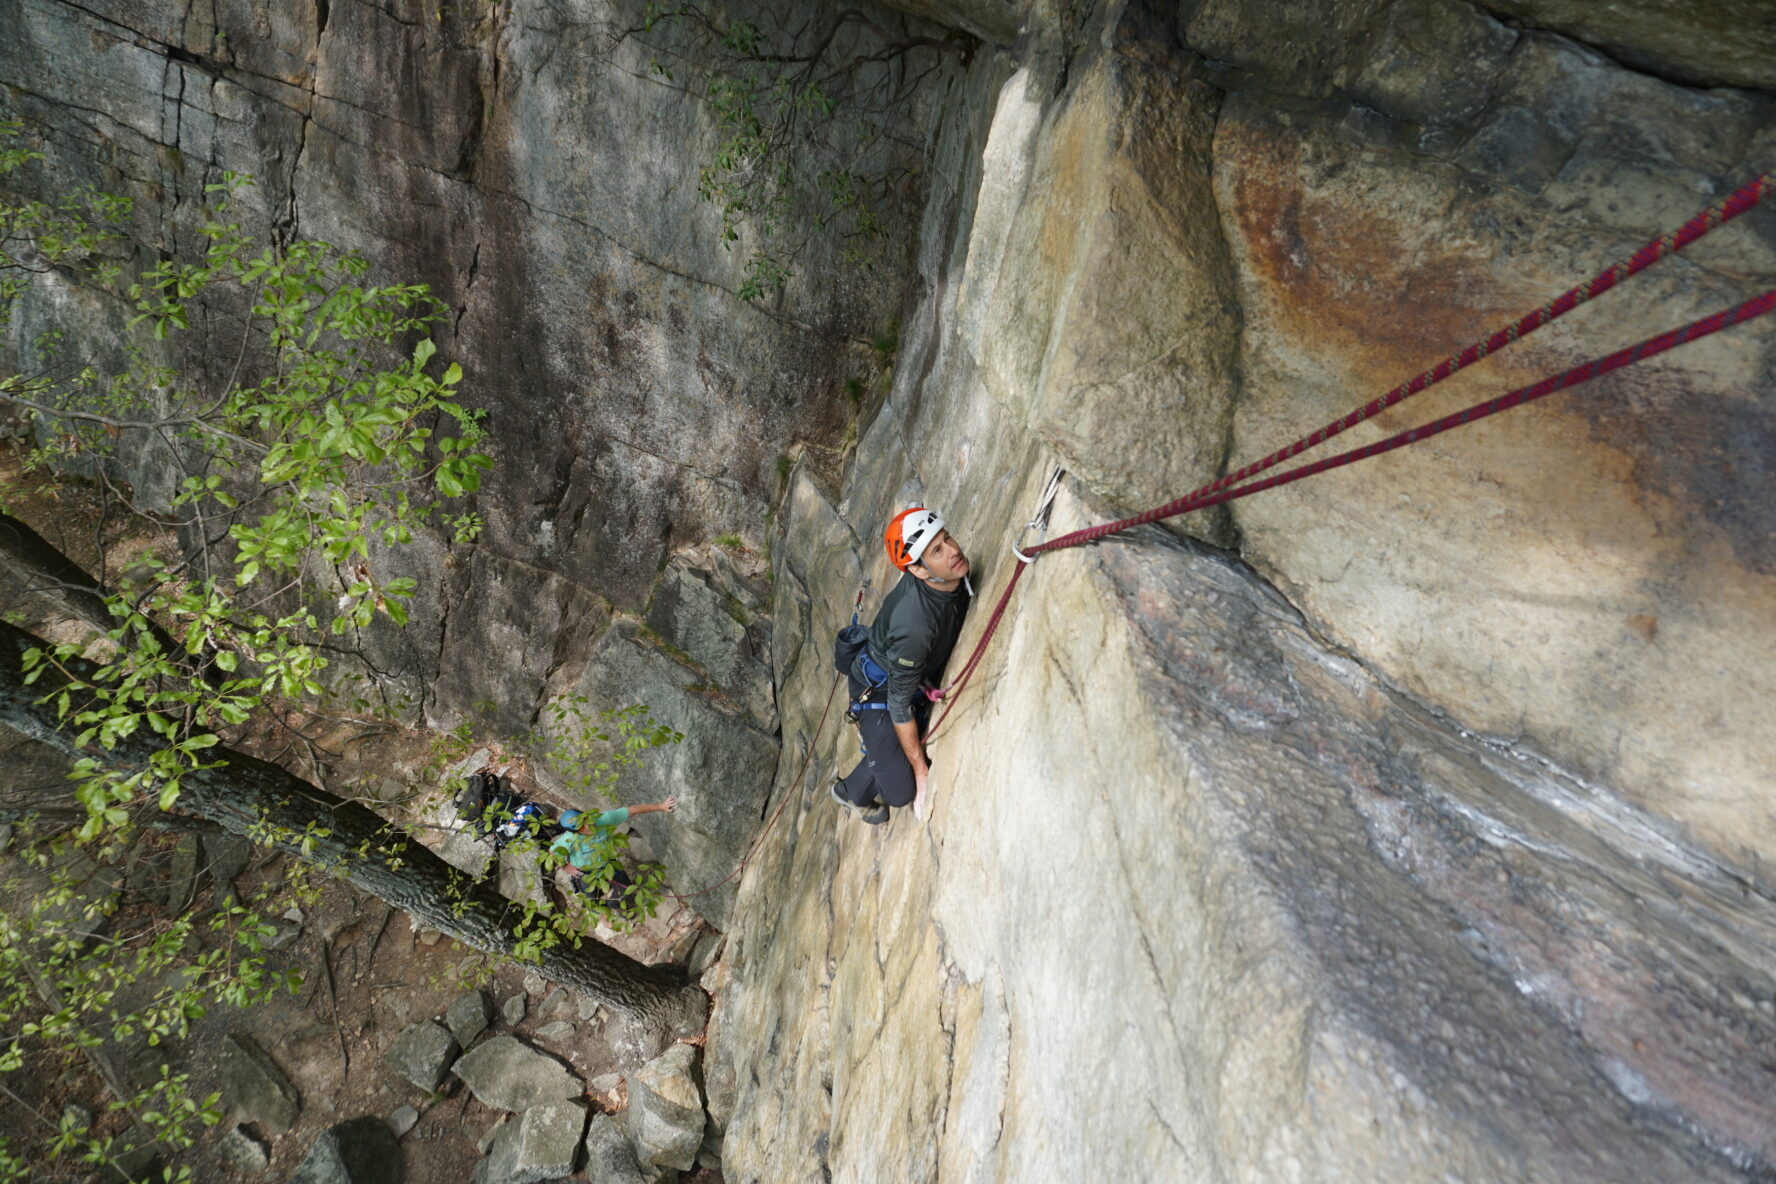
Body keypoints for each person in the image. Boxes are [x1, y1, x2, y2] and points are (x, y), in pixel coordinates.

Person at [833, 507, 971, 823]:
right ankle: (853, 792)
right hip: (878, 692)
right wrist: (921, 771)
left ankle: (864, 776)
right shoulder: (915, 626)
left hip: (901, 675)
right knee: (900, 793)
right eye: (937, 550)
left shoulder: (949, 576)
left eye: (947, 539)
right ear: (920, 571)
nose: (953, 551)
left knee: (895, 750)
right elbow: (897, 704)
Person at [550, 796, 677, 906]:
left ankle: (616, 906)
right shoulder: (570, 839)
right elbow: (553, 851)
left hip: (608, 863)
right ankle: (604, 914)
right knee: (592, 897)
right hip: (586, 872)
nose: (587, 826)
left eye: (585, 820)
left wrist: (661, 806)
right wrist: (566, 867)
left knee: (626, 890)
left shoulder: (603, 820)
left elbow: (632, 810)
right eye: (581, 827)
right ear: (574, 832)